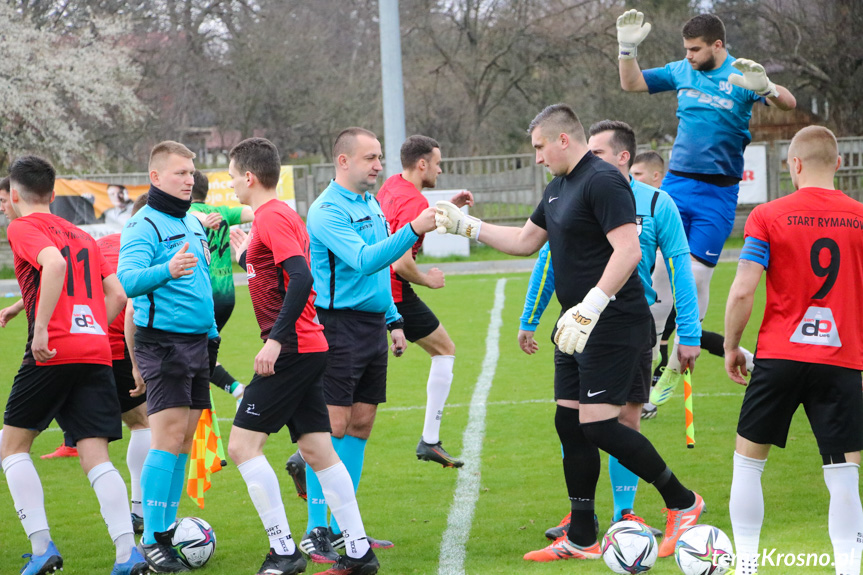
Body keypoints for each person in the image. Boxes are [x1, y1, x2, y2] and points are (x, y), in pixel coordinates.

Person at [436, 104, 704, 561]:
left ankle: (682, 501)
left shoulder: (603, 179)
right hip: (574, 326)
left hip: (614, 323)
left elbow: (628, 251)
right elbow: (525, 242)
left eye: (541, 146)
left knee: (599, 426)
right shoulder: (559, 187)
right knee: (569, 422)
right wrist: (470, 227)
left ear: (564, 139)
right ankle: (582, 537)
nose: (538, 157)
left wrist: (592, 305)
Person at [517, 120, 700, 543]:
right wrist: (531, 317)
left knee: (621, 421)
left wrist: (689, 331)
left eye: (597, 154)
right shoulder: (577, 191)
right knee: (573, 420)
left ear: (622, 157)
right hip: (578, 325)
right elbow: (547, 258)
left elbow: (679, 269)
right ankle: (582, 527)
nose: (589, 161)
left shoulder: (655, 204)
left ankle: (627, 514)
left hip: (628, 322)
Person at [617, 9, 796, 402]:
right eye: (686, 49)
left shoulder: (743, 75)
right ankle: (642, 366)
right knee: (660, 274)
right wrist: (627, 49)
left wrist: (766, 87)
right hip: (678, 184)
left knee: (697, 277)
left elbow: (788, 101)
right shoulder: (682, 70)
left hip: (718, 193)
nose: (690, 55)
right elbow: (631, 83)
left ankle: (677, 364)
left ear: (718, 45)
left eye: (696, 49)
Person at [225, 137, 380, 575]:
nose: (233, 184)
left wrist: (274, 340)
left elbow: (299, 277)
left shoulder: (272, 218)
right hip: (309, 346)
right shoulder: (282, 216)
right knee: (317, 450)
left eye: (234, 175)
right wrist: (245, 259)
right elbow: (278, 276)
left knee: (241, 445)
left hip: (291, 348)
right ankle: (358, 552)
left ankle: (284, 551)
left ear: (250, 177)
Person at [724, 126, 863, 575]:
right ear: (838, 164)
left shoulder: (767, 215)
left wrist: (730, 346)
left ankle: (746, 564)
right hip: (842, 361)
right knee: (844, 475)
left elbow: (744, 290)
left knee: (748, 464)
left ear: (794, 165)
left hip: (780, 357)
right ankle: (847, 568)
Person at [1, 155, 147, 575]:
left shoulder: (22, 227)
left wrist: (43, 327)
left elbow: (54, 264)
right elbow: (117, 295)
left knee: (11, 448)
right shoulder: (81, 234)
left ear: (14, 194)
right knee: (95, 453)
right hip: (97, 350)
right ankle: (127, 552)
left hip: (53, 351)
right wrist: (89, 326)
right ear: (52, 192)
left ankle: (42, 547)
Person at [301, 127, 437, 561]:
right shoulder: (326, 210)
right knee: (333, 427)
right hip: (337, 327)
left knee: (360, 424)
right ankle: (315, 531)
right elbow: (364, 261)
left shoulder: (369, 203)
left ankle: (347, 526)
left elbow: (379, 273)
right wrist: (413, 228)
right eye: (370, 158)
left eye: (380, 157)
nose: (379, 166)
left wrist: (395, 320)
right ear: (343, 161)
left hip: (372, 326)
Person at [117, 141, 220, 573]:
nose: (189, 179)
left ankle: (167, 526)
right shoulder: (144, 226)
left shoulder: (193, 221)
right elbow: (128, 280)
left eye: (192, 172)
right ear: (156, 177)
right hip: (164, 343)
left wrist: (213, 336)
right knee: (168, 436)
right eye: (180, 172)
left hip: (198, 343)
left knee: (184, 439)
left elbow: (202, 288)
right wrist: (166, 270)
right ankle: (153, 538)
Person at [376, 134, 473, 468]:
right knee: (445, 349)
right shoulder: (415, 202)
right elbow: (401, 263)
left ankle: (306, 452)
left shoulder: (391, 186)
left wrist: (453, 208)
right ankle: (430, 441)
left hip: (372, 286)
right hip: (394, 292)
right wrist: (428, 279)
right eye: (437, 163)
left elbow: (408, 223)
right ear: (422, 164)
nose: (440, 170)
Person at [96, 196, 152, 535]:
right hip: (117, 346)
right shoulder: (144, 248)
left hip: (76, 341)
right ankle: (138, 511)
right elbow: (129, 306)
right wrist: (136, 365)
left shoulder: (99, 243)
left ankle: (134, 514)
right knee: (142, 422)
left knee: (26, 427)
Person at [189, 170, 254, 403]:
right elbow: (256, 212)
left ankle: (238, 392)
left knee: (190, 354)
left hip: (204, 297)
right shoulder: (222, 212)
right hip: (228, 296)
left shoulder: (185, 214)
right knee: (200, 353)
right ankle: (237, 391)